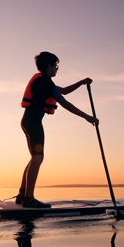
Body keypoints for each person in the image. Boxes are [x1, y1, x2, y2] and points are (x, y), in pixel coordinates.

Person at [17, 52, 99, 208]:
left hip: (28, 121)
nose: (57, 69)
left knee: (35, 157)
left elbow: (64, 91)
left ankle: (22, 195)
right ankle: (29, 198)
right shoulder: (46, 83)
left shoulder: (44, 81)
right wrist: (88, 117)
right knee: (38, 157)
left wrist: (81, 82)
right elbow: (65, 103)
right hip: (33, 122)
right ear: (48, 66)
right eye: (55, 65)